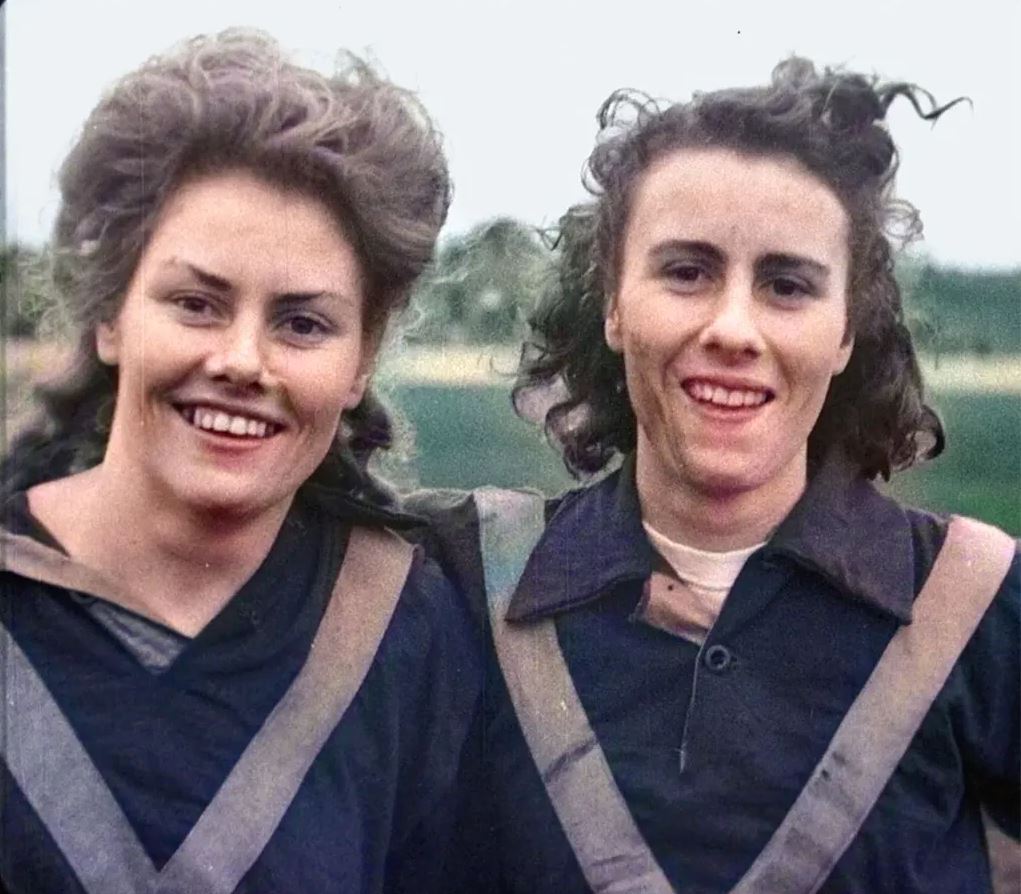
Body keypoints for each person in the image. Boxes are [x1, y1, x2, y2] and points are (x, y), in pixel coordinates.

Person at [409, 59, 1019, 893]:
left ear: (845, 332)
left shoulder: (979, 603)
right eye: (686, 271)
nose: (733, 328)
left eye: (787, 284)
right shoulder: (459, 580)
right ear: (614, 306)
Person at [0, 30, 480, 893]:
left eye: (302, 323)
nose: (243, 361)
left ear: (360, 360)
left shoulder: (407, 628)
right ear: (112, 317)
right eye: (195, 303)